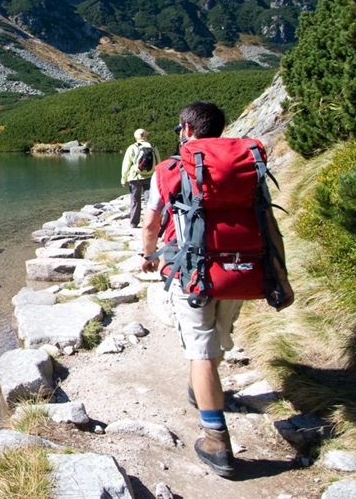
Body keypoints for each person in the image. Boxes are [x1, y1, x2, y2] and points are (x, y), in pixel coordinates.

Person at [139, 101, 294, 478]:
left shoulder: (170, 170)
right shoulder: (246, 170)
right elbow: (269, 223)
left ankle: (216, 440)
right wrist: (282, 277)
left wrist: (147, 257)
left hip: (193, 273)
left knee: (201, 352)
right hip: (239, 273)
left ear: (187, 131)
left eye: (180, 130)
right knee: (218, 340)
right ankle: (204, 389)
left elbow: (150, 223)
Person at [121, 129, 159, 227]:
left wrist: (123, 179)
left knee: (135, 200)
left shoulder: (132, 147)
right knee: (150, 200)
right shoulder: (153, 147)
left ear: (135, 137)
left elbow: (126, 165)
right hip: (150, 177)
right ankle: (151, 222)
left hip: (135, 177)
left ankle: (134, 223)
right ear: (146, 136)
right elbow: (159, 162)